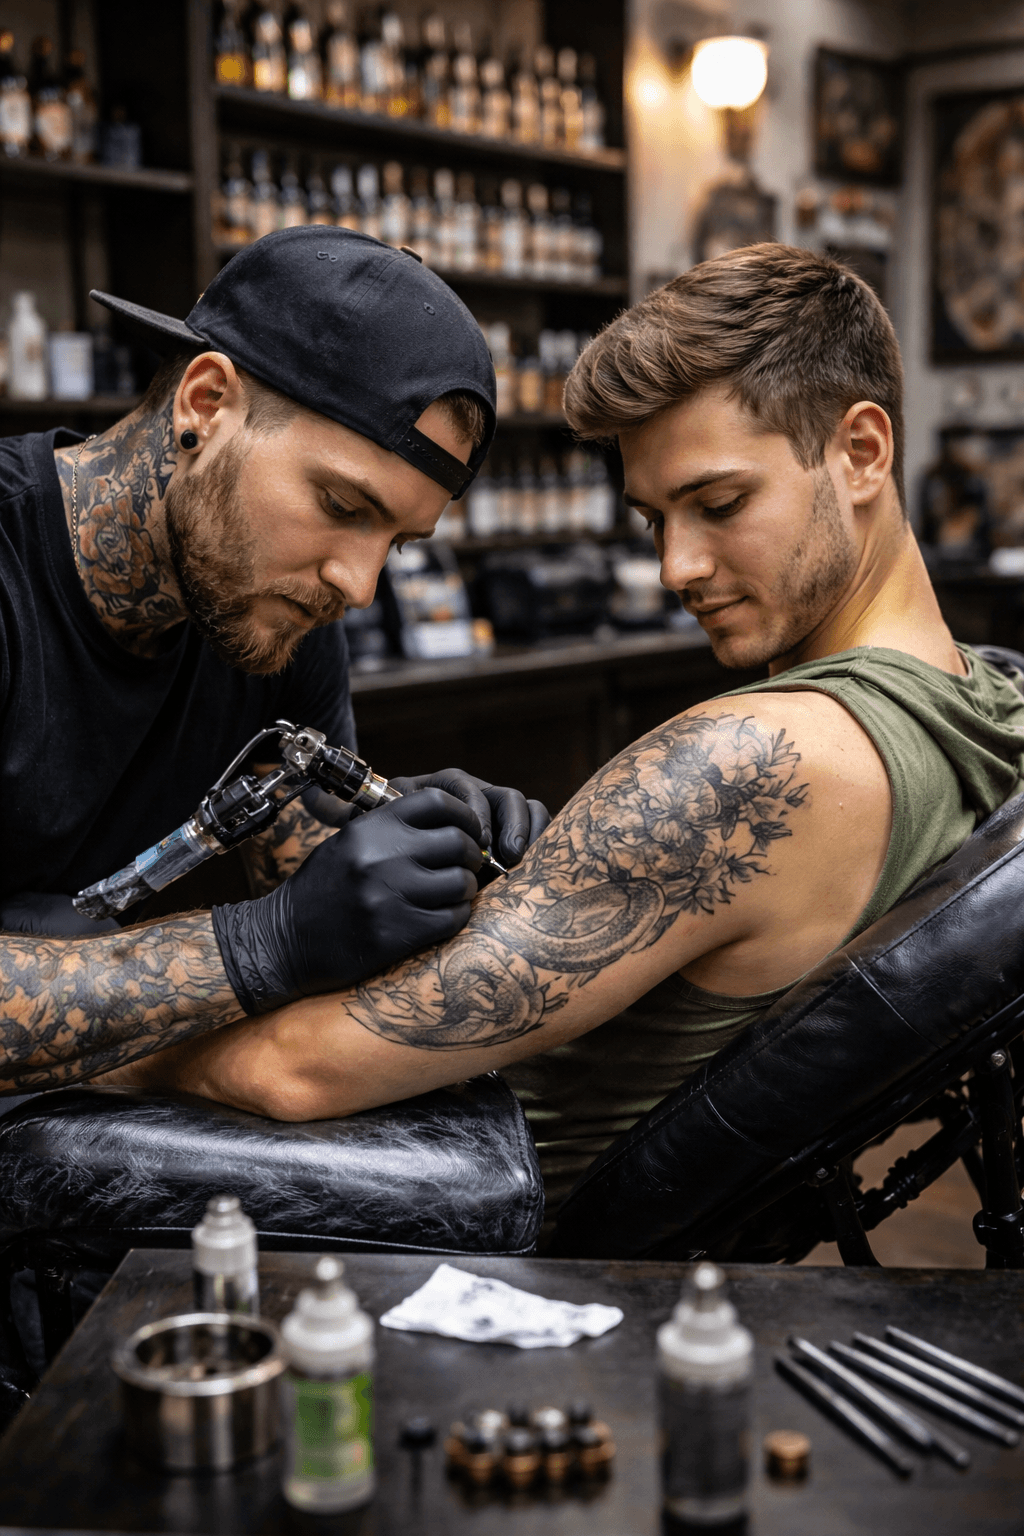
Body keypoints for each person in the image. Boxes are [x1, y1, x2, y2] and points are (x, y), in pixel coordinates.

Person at [53, 246, 1024, 1225]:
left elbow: (291, 1070)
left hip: (456, 1236)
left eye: (720, 503)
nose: (676, 568)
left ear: (862, 452)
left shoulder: (751, 760)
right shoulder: (986, 705)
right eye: (654, 520)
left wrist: (63, 1038)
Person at [0, 228, 548, 1094]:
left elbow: (316, 878)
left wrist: (424, 863)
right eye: (342, 505)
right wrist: (266, 943)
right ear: (205, 403)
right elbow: (290, 934)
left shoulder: (278, 619)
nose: (358, 585)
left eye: (397, 543)